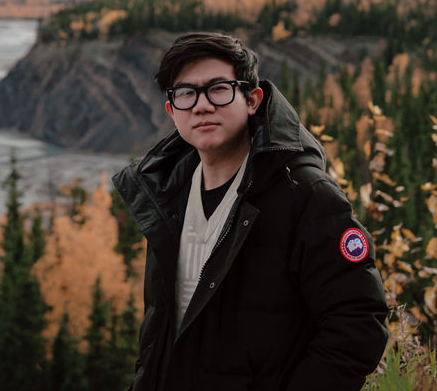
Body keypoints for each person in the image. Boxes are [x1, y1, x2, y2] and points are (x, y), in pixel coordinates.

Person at [112, 32, 388, 390]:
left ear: (253, 99)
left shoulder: (305, 195)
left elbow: (358, 324)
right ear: (171, 110)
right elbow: (161, 328)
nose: (201, 105)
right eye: (186, 93)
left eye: (219, 88)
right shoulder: (166, 196)